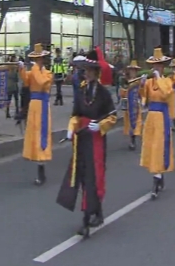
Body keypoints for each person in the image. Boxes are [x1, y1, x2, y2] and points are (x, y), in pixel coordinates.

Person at [56, 49, 117, 238]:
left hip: (96, 139)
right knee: (81, 175)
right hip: (81, 138)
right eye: (85, 69)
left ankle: (87, 218)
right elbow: (75, 114)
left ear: (96, 72)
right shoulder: (81, 90)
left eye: (90, 69)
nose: (86, 72)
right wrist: (71, 127)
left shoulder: (104, 94)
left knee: (94, 176)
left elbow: (112, 116)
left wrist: (100, 125)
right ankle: (94, 212)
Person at [139, 47, 175, 199]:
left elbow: (166, 93)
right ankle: (158, 174)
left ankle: (156, 178)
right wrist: (141, 87)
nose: (156, 68)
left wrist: (158, 78)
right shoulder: (149, 82)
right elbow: (144, 99)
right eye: (154, 65)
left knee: (159, 147)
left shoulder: (167, 81)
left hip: (162, 116)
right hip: (151, 117)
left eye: (159, 66)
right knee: (151, 146)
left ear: (163, 67)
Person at [18, 43, 53, 186]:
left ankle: (41, 171)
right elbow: (26, 81)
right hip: (33, 105)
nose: (39, 61)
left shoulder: (47, 73)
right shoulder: (34, 71)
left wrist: (33, 68)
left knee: (41, 135)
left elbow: (41, 81)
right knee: (34, 134)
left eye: (40, 58)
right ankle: (38, 165)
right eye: (37, 59)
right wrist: (21, 69)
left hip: (42, 106)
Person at [120, 60, 144, 151]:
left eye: (135, 70)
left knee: (137, 122)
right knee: (129, 122)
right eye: (132, 70)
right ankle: (132, 140)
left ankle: (135, 138)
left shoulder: (139, 81)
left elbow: (142, 92)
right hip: (128, 105)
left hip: (136, 104)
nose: (133, 72)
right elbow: (122, 93)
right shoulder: (125, 81)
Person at [6, 55, 19, 119]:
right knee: (16, 99)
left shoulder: (8, 67)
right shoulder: (13, 67)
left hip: (9, 86)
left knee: (9, 99)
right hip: (13, 86)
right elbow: (16, 77)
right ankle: (16, 112)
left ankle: (7, 112)